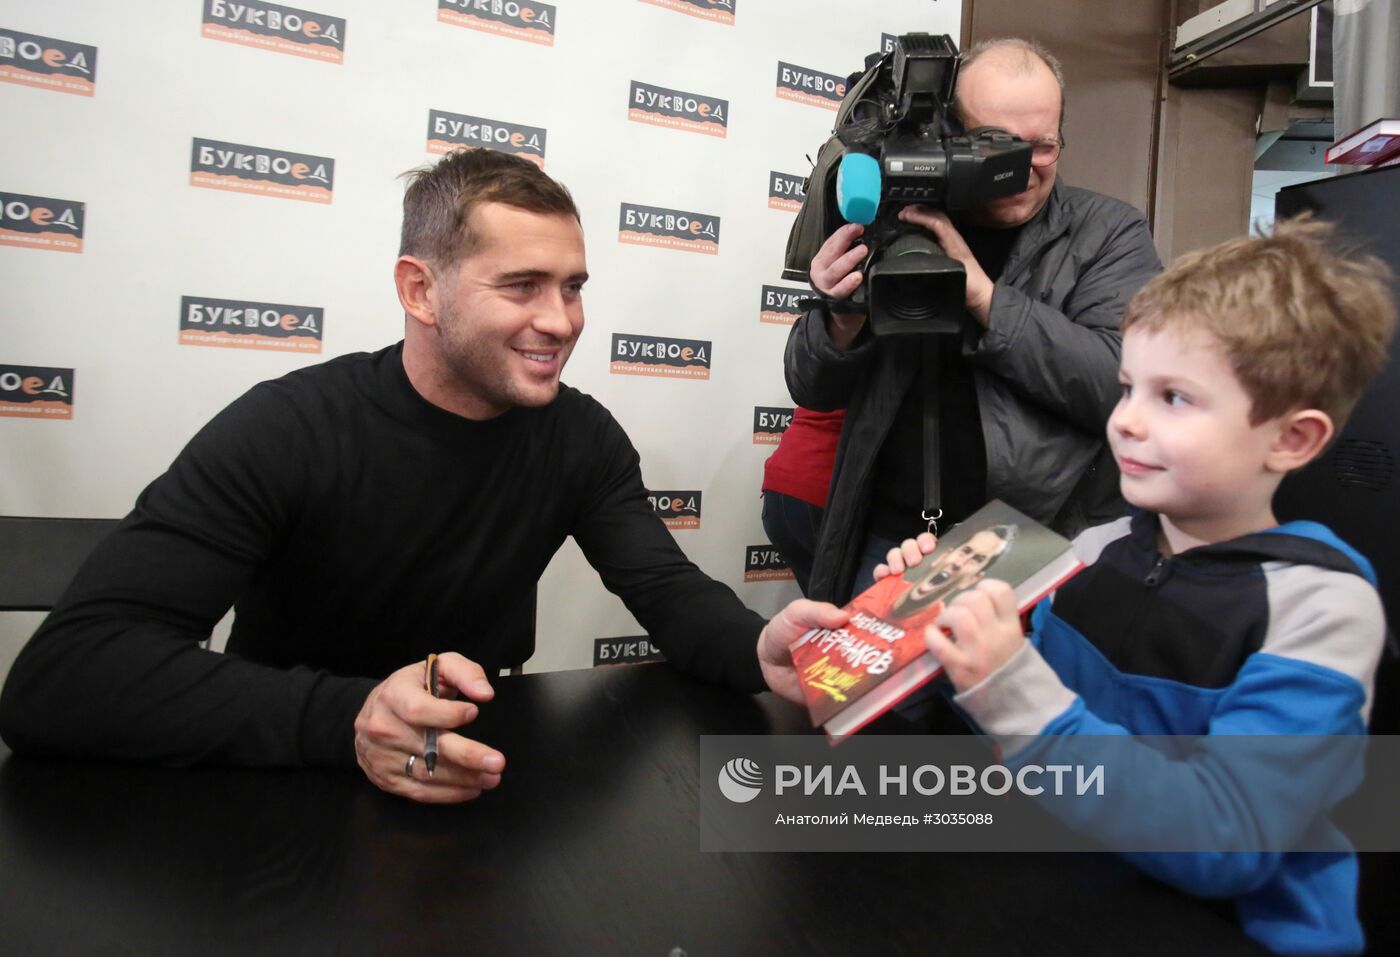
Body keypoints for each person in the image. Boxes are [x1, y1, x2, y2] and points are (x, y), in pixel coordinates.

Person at [0, 148, 843, 804]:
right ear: (420, 289)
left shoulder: (578, 434)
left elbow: (664, 587)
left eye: (573, 287)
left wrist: (751, 644)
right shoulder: (288, 427)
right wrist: (350, 719)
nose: (561, 320)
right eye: (522, 286)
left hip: (477, 784)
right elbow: (65, 676)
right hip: (278, 798)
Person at [892, 217, 1397, 955]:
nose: (1125, 421)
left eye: (1175, 398)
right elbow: (1026, 743)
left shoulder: (1322, 606)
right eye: (1128, 387)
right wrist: (941, 637)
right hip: (1080, 900)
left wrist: (1011, 686)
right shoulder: (1091, 553)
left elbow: (1229, 839)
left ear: (1292, 438)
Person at [786, 37, 1162, 604]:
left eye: (1044, 147)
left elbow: (1120, 383)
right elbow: (811, 387)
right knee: (878, 697)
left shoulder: (1110, 232)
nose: (1024, 169)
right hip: (890, 539)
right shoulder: (897, 214)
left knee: (1011, 693)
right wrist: (839, 313)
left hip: (1035, 544)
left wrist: (982, 294)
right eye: (999, 145)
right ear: (949, 132)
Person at [760, 406, 844, 595]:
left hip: (779, 487)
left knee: (825, 605)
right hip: (820, 488)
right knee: (841, 608)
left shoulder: (817, 377)